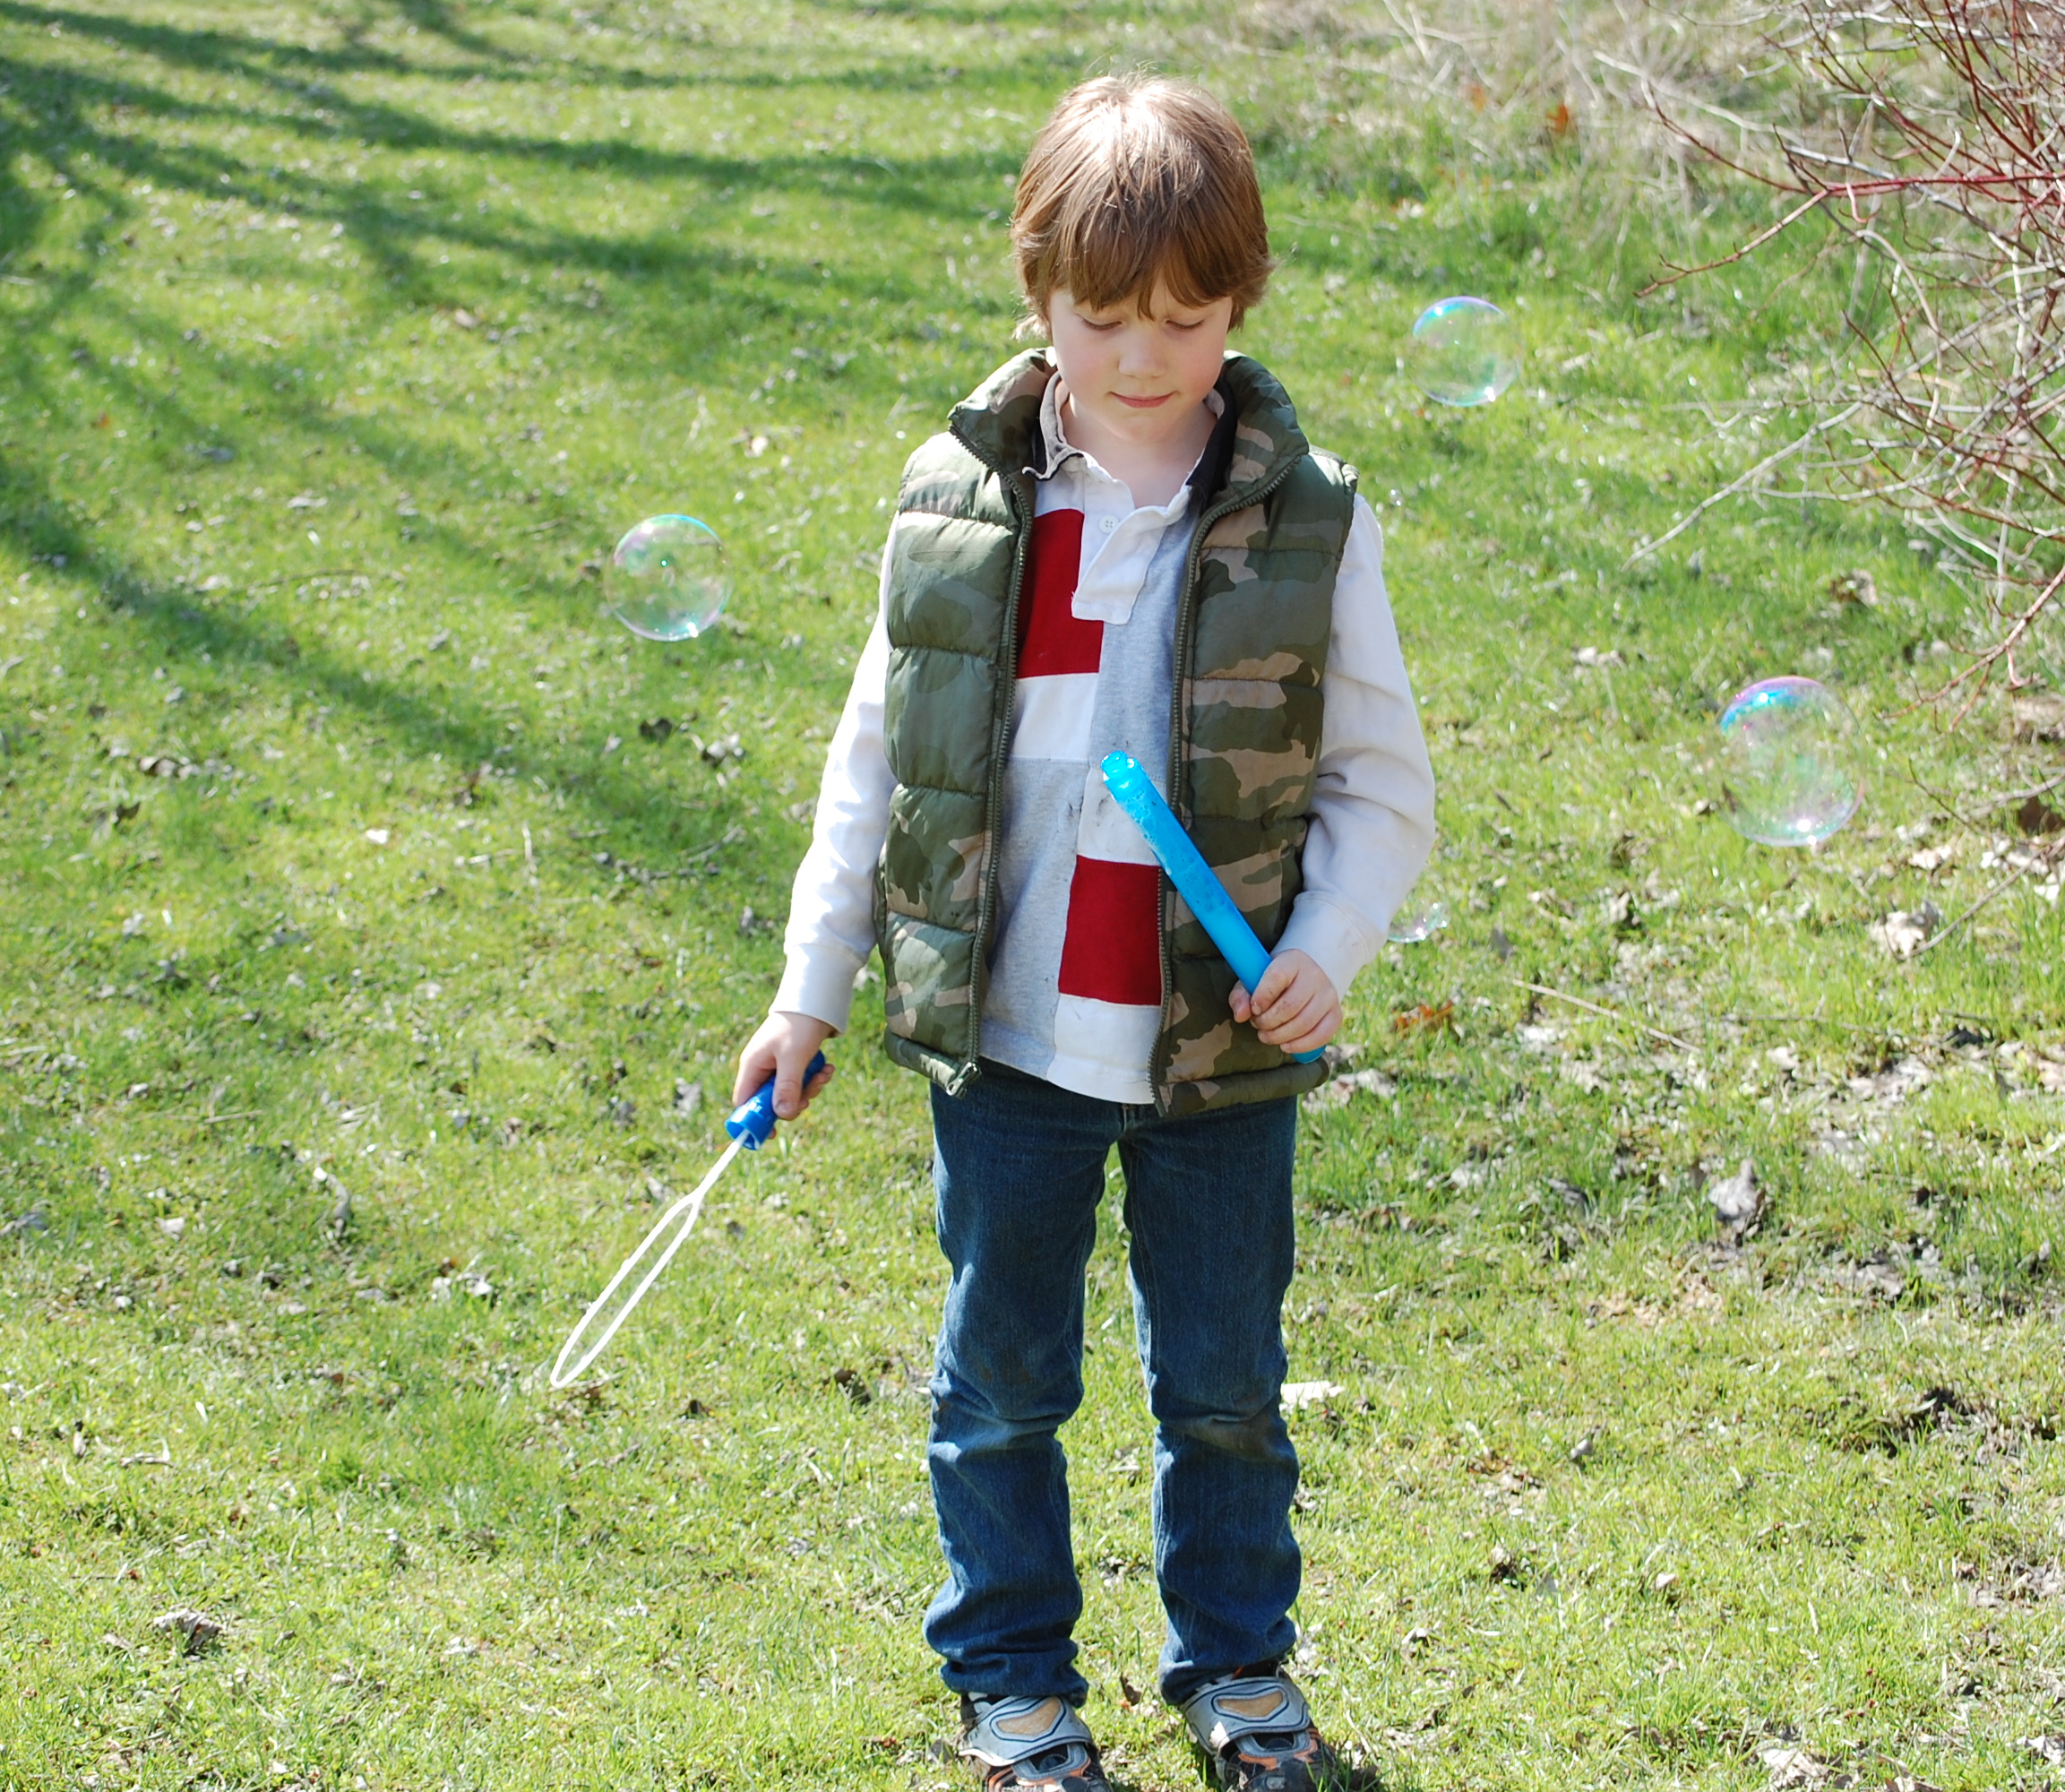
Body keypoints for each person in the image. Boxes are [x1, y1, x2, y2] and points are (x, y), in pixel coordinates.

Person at [733, 72, 1434, 1792]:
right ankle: (1015, 1688)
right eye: (1104, 317)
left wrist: (1328, 942)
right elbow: (875, 768)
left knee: (1225, 1387)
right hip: (1012, 1040)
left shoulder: (1308, 517)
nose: (1141, 357)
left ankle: (1240, 1672)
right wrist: (810, 992)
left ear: (1241, 304)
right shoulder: (960, 508)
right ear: (1037, 294)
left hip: (1215, 1051)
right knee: (1001, 1383)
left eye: (1185, 320)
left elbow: (1381, 784)